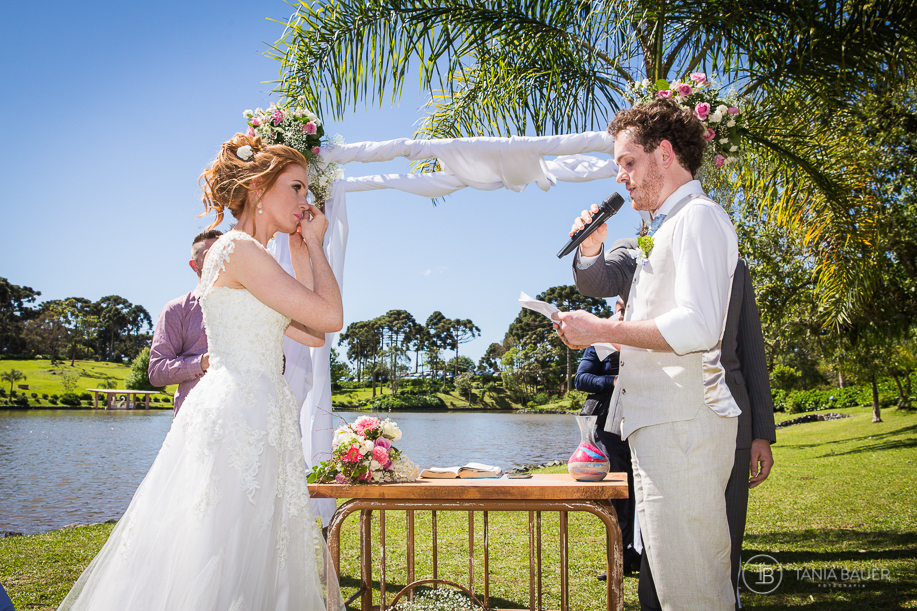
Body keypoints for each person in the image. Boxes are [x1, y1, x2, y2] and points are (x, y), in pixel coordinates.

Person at [57, 134, 344, 611]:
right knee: (222, 545)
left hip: (262, 411)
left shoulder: (255, 256)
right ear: (258, 187)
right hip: (240, 413)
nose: (304, 201)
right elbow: (331, 317)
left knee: (253, 547)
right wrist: (315, 242)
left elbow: (314, 333)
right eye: (296, 187)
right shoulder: (238, 250)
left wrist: (301, 250)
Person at [553, 98, 741, 611]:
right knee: (675, 582)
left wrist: (602, 329)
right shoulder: (660, 228)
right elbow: (612, 285)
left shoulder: (699, 218)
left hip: (684, 427)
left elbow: (698, 325)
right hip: (661, 428)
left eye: (628, 162)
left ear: (664, 154)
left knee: (694, 588)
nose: (621, 177)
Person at [574, 236, 776, 609]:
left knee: (725, 543)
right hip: (661, 423)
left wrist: (761, 433)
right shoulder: (640, 256)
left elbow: (751, 350)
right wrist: (590, 249)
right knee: (658, 547)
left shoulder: (734, 265)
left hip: (733, 426)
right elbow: (599, 279)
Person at [574, 298, 641, 577]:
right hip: (609, 427)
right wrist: (613, 380)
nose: (623, 313)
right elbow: (581, 379)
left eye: (629, 307)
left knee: (646, 490)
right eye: (620, 308)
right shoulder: (599, 343)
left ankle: (647, 554)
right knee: (617, 492)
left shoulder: (650, 338)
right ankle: (620, 555)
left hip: (648, 421)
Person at [148, 229, 222, 413]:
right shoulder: (176, 310)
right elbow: (156, 372)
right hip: (194, 415)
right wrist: (201, 363)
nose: (219, 258)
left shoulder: (252, 305)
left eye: (223, 251)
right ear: (194, 265)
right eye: (209, 254)